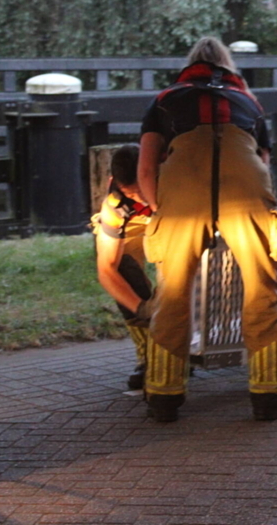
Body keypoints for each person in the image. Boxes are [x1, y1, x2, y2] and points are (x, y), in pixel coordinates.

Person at [138, 36, 277, 422]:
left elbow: (146, 167)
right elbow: (262, 160)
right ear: (229, 67)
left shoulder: (165, 99)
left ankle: (163, 396)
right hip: (245, 187)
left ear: (189, 65)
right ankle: (269, 395)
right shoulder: (249, 102)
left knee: (173, 289)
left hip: (182, 190)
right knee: (263, 286)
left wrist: (163, 210)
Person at [91, 144, 154, 390]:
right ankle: (150, 353)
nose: (140, 199)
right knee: (124, 270)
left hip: (176, 216)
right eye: (133, 195)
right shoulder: (116, 205)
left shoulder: (176, 180)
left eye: (143, 191)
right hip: (136, 225)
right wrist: (142, 308)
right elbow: (107, 269)